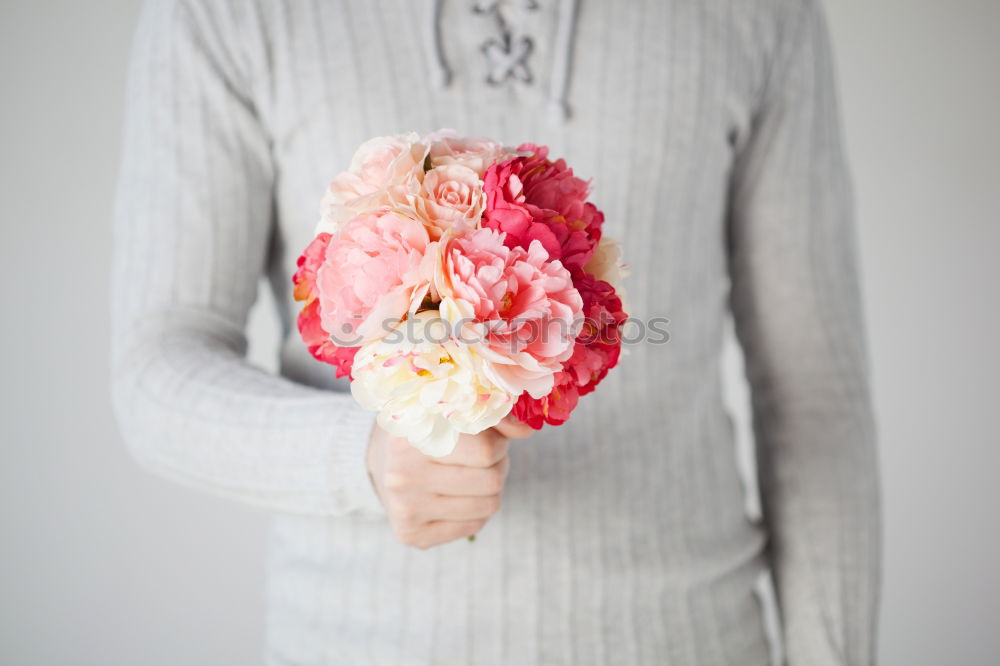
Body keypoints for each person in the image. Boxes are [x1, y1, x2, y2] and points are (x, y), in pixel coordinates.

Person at [110, 0, 880, 664]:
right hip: (353, 640)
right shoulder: (227, 14)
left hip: (691, 635)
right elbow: (159, 360)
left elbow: (816, 394)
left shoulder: (759, 15)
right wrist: (360, 458)